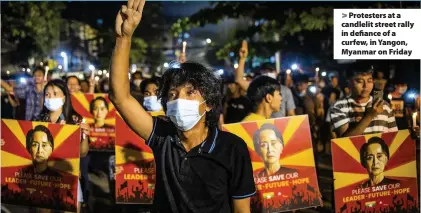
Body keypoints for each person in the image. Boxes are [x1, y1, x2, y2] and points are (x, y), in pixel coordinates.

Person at [109, 1, 255, 212]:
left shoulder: (232, 148)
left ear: (210, 104)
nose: (179, 100)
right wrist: (124, 38)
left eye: (190, 92)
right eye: (172, 94)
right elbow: (120, 97)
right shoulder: (162, 136)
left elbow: (242, 208)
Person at [37, 79, 90, 213]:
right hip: (43, 177)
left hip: (68, 175)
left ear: (64, 97)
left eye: (55, 94)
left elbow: (83, 153)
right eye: (47, 94)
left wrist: (85, 136)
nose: (50, 97)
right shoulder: (39, 120)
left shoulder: (76, 120)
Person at [233, 40, 295, 118]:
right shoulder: (258, 88)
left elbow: (291, 113)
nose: (268, 73)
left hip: (280, 129)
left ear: (276, 72)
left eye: (270, 71)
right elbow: (239, 80)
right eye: (265, 71)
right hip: (260, 127)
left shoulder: (286, 90)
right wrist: (242, 59)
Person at [330, 69, 398, 137]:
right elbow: (344, 141)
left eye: (369, 81)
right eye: (360, 81)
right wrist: (369, 116)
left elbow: (394, 138)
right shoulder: (339, 106)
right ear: (349, 83)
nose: (365, 86)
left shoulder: (384, 105)